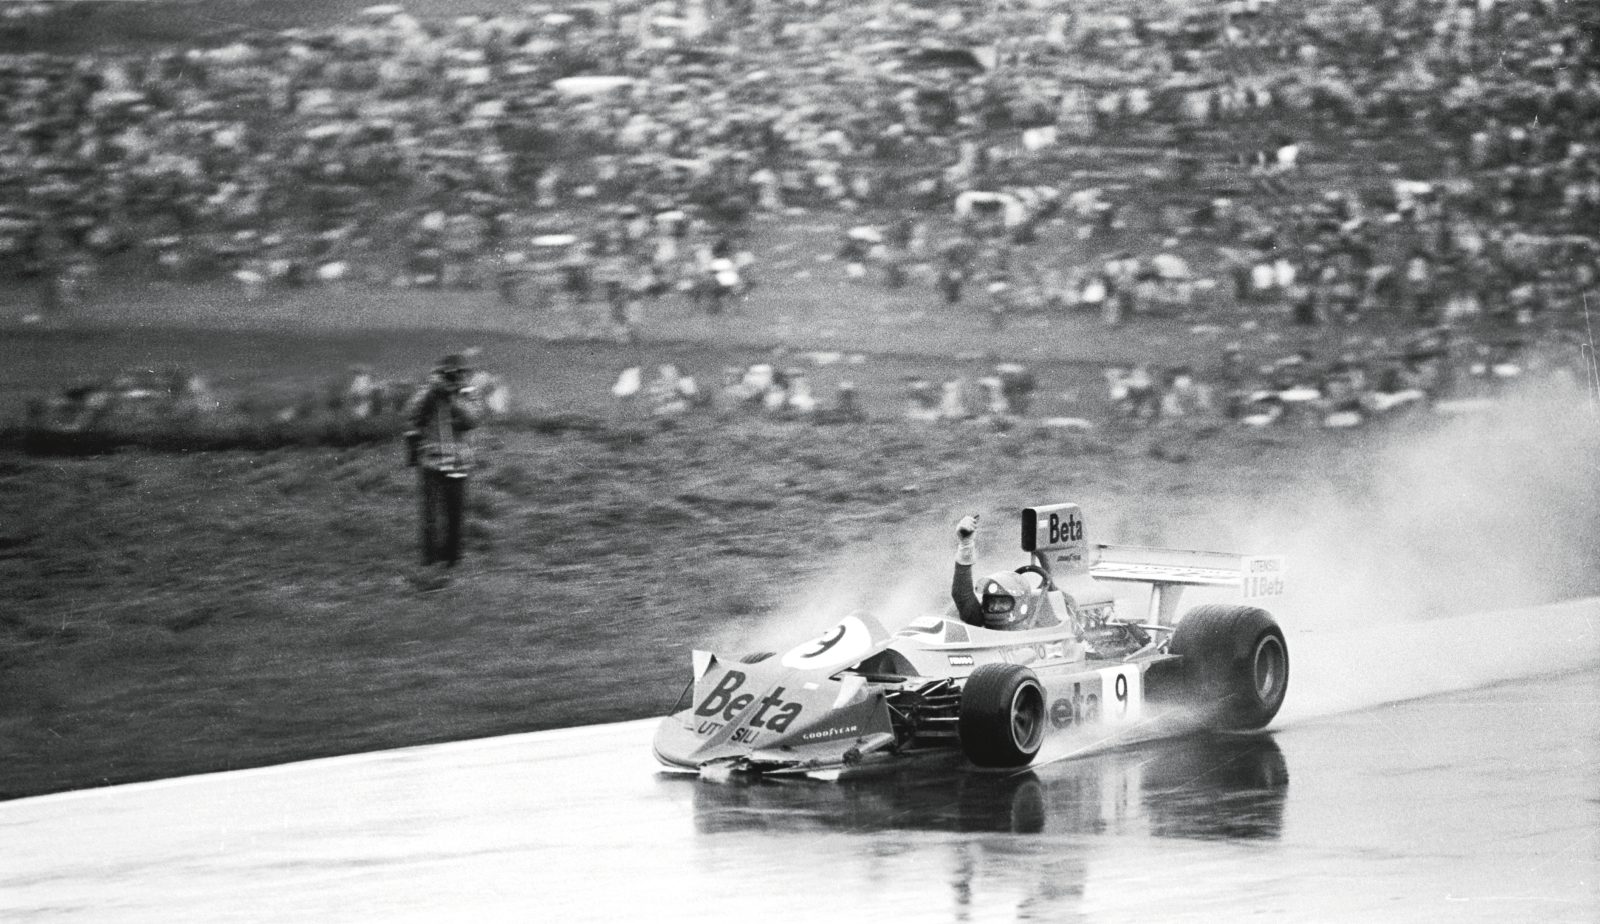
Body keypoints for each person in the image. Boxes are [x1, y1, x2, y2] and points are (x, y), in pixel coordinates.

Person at [404, 354, 485, 571]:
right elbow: (410, 412)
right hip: (431, 463)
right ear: (438, 373)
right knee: (429, 516)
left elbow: (473, 419)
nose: (453, 377)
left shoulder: (468, 392)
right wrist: (431, 390)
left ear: (464, 373)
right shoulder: (428, 392)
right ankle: (429, 561)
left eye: (457, 373)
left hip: (458, 463)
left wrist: (453, 396)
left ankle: (452, 561)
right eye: (447, 373)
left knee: (455, 514)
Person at [951, 514, 1039, 631]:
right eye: (991, 603)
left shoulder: (1036, 633)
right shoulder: (980, 624)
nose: (995, 607)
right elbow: (961, 594)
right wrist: (966, 544)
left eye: (1003, 603)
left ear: (1019, 604)